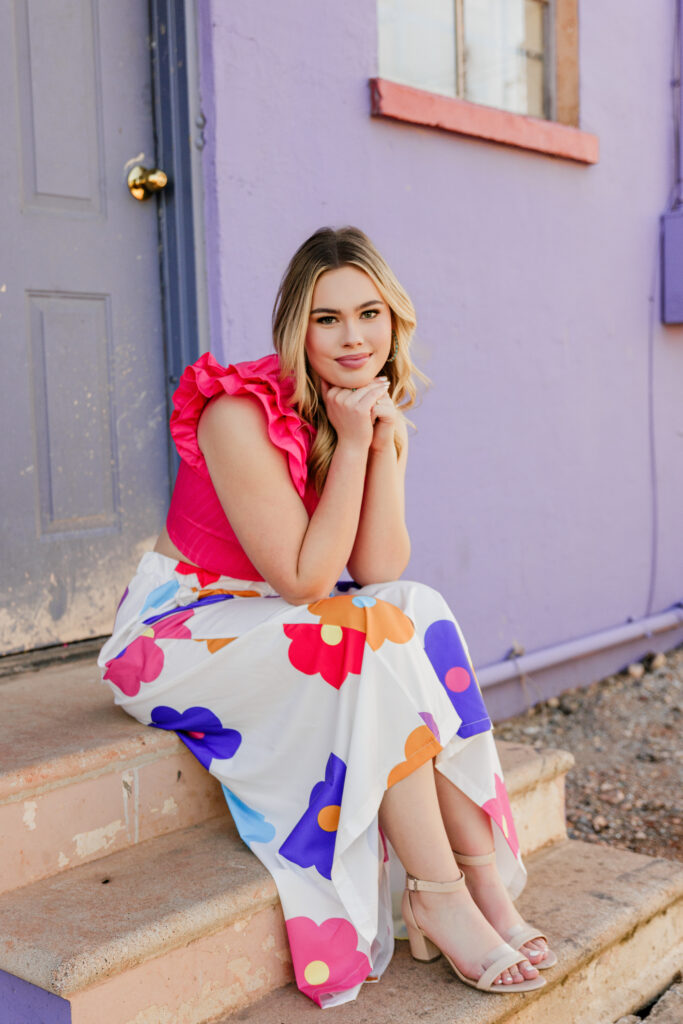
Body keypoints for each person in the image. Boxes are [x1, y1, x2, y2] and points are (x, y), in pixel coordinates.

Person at [98, 226, 556, 1008]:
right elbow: (310, 580)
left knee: (417, 609)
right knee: (356, 636)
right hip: (180, 630)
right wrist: (348, 447)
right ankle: (436, 893)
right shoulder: (236, 411)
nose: (353, 338)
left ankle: (480, 880)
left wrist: (379, 445)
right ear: (294, 328)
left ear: (394, 321)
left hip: (277, 618)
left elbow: (379, 573)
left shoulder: (365, 409)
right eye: (327, 318)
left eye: (369, 314)